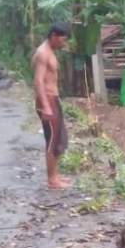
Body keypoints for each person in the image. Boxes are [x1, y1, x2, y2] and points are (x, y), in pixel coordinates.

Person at [32, 23, 73, 190]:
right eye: (63, 40)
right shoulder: (43, 53)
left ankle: (55, 175)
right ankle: (52, 180)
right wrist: (46, 106)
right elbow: (38, 81)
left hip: (52, 99)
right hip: (47, 100)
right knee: (52, 141)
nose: (64, 43)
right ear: (54, 36)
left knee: (58, 139)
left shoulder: (50, 51)